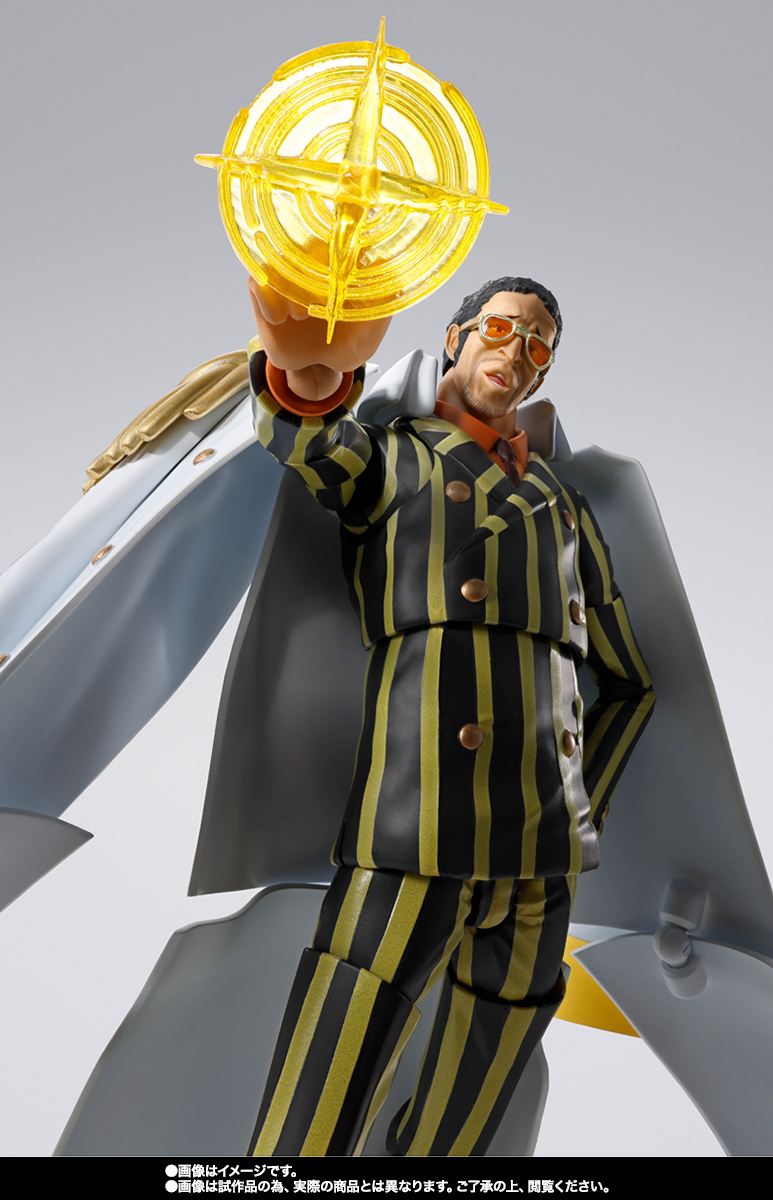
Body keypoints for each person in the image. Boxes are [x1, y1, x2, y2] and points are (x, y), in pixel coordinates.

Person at [245, 274, 655, 1157]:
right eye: (502, 329)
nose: (519, 352)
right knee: (315, 1116)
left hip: (541, 866)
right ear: (456, 337)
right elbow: (309, 443)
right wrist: (309, 374)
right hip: (413, 836)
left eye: (539, 345)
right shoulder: (395, 458)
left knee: (457, 1139)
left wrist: (580, 809)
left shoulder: (564, 506)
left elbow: (629, 684)